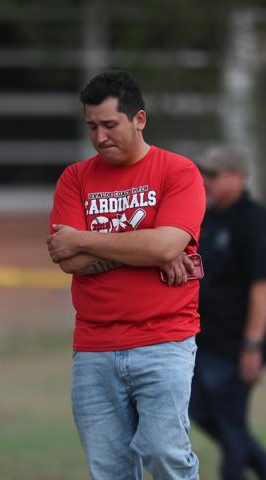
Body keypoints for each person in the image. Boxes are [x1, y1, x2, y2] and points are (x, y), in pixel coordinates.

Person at [46, 70, 205, 479]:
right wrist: (148, 250)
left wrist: (87, 238)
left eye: (110, 125)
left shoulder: (178, 172)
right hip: (95, 347)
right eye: (92, 127)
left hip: (164, 340)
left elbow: (167, 246)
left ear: (140, 119)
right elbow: (69, 259)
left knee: (164, 454)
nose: (100, 137)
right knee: (109, 470)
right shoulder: (74, 178)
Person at [188, 146, 266, 480]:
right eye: (204, 173)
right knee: (199, 411)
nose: (206, 180)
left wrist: (253, 345)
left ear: (239, 176)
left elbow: (263, 287)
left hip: (237, 345)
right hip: (206, 340)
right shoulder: (210, 217)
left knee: (232, 424)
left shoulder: (255, 220)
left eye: (214, 174)